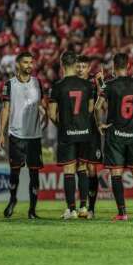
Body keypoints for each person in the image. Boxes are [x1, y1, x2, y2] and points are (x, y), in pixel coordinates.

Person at [95, 53, 133, 221]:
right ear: (128, 66)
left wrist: (100, 124)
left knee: (116, 173)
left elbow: (100, 106)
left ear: (113, 66)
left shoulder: (109, 85)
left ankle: (122, 213)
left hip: (115, 135)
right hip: (131, 133)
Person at [48, 51, 95, 220]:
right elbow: (90, 109)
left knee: (69, 169)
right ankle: (84, 207)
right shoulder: (88, 86)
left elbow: (52, 113)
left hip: (67, 133)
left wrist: (63, 125)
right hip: (84, 133)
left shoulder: (58, 86)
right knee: (82, 169)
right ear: (75, 64)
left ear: (62, 65)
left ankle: (71, 209)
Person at [0, 52, 45, 219]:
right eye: (25, 62)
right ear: (18, 64)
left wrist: (44, 112)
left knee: (34, 173)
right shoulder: (9, 84)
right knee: (15, 172)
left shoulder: (38, 83)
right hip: (16, 134)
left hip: (34, 135)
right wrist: (1, 132)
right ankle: (12, 200)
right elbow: (5, 109)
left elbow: (42, 105)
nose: (29, 65)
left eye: (31, 62)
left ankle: (32, 209)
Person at [75, 55, 103, 219]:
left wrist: (101, 85)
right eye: (78, 66)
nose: (80, 69)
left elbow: (104, 104)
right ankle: (82, 205)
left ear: (88, 68)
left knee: (92, 169)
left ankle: (91, 208)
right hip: (77, 130)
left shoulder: (94, 82)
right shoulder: (72, 82)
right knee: (80, 166)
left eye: (83, 66)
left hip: (92, 131)